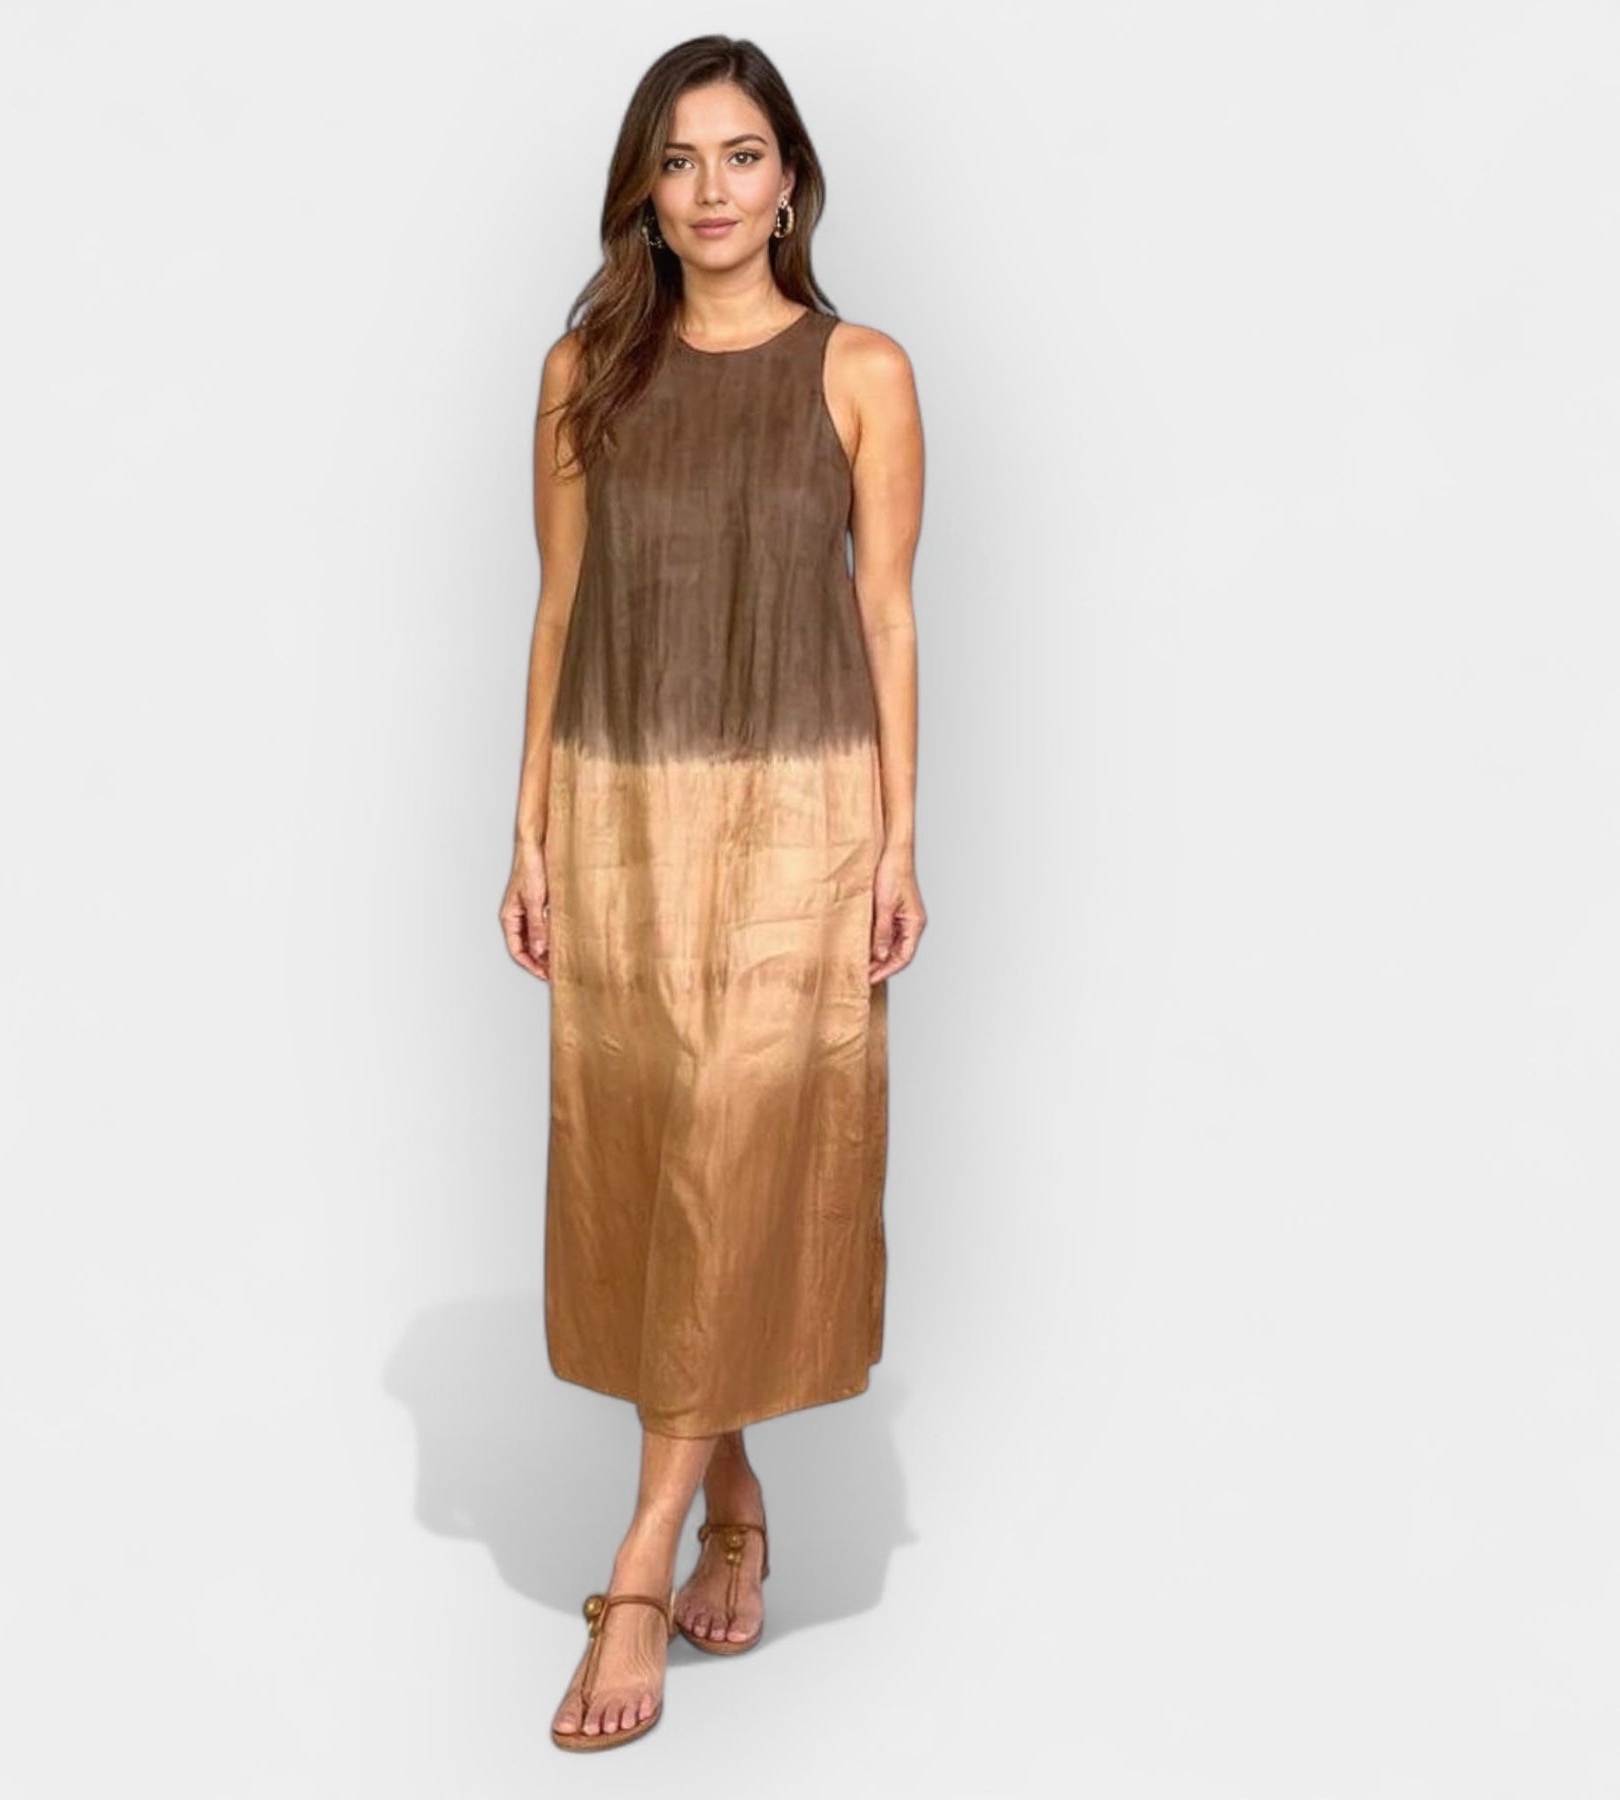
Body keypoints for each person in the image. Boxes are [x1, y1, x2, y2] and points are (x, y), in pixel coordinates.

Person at [497, 34, 926, 1751]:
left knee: (743, 1133)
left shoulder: (864, 369)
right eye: (679, 161)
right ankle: (732, 1484)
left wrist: (901, 839)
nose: (713, 190)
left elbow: (886, 613)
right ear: (645, 192)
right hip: (622, 811)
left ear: (792, 181)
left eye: (742, 156)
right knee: (664, 1145)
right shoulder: (584, 370)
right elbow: (557, 609)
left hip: (804, 819)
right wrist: (529, 833)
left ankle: (640, 1561)